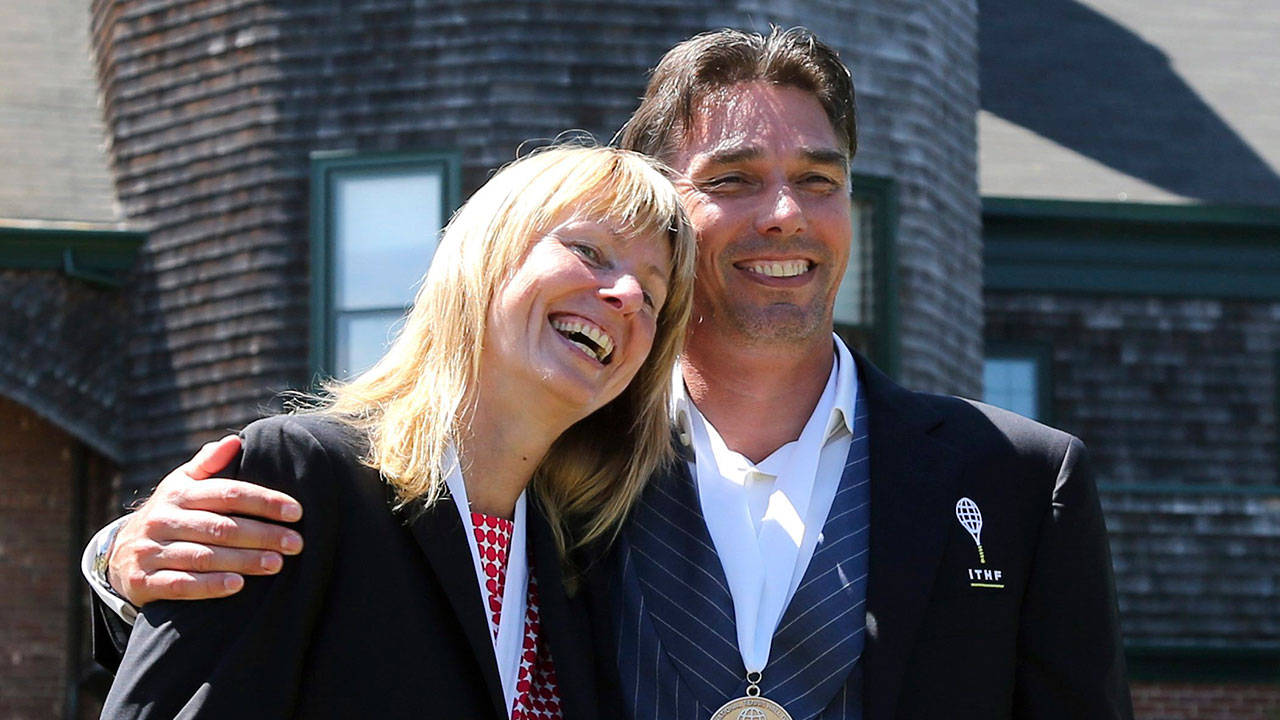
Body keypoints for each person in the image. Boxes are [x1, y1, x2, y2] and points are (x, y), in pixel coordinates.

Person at [86, 28, 1133, 720]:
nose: (783, 214)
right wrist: (126, 555)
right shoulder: (560, 472)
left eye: (817, 182)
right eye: (732, 180)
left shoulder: (1015, 481)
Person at [94, 144, 698, 719]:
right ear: (488, 256)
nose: (624, 294)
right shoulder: (301, 479)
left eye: (652, 294)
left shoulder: (579, 562)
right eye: (590, 252)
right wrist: (115, 557)